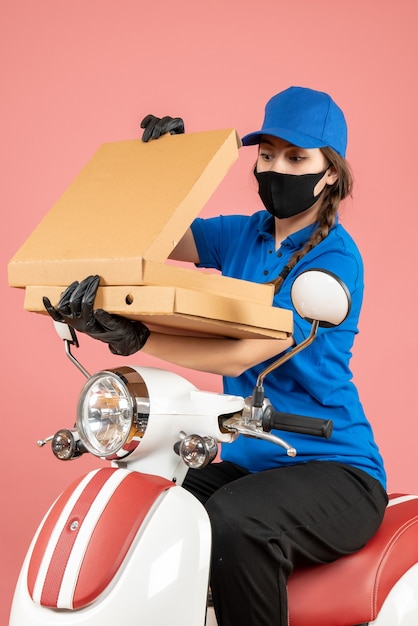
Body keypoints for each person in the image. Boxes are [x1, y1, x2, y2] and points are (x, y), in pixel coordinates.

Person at [44, 86, 387, 626]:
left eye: (297, 158)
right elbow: (159, 238)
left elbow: (243, 355)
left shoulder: (335, 259)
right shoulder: (244, 235)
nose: (277, 168)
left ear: (331, 175)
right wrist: (161, 170)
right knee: (154, 504)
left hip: (335, 469)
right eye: (267, 154)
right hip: (254, 462)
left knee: (235, 520)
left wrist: (135, 341)